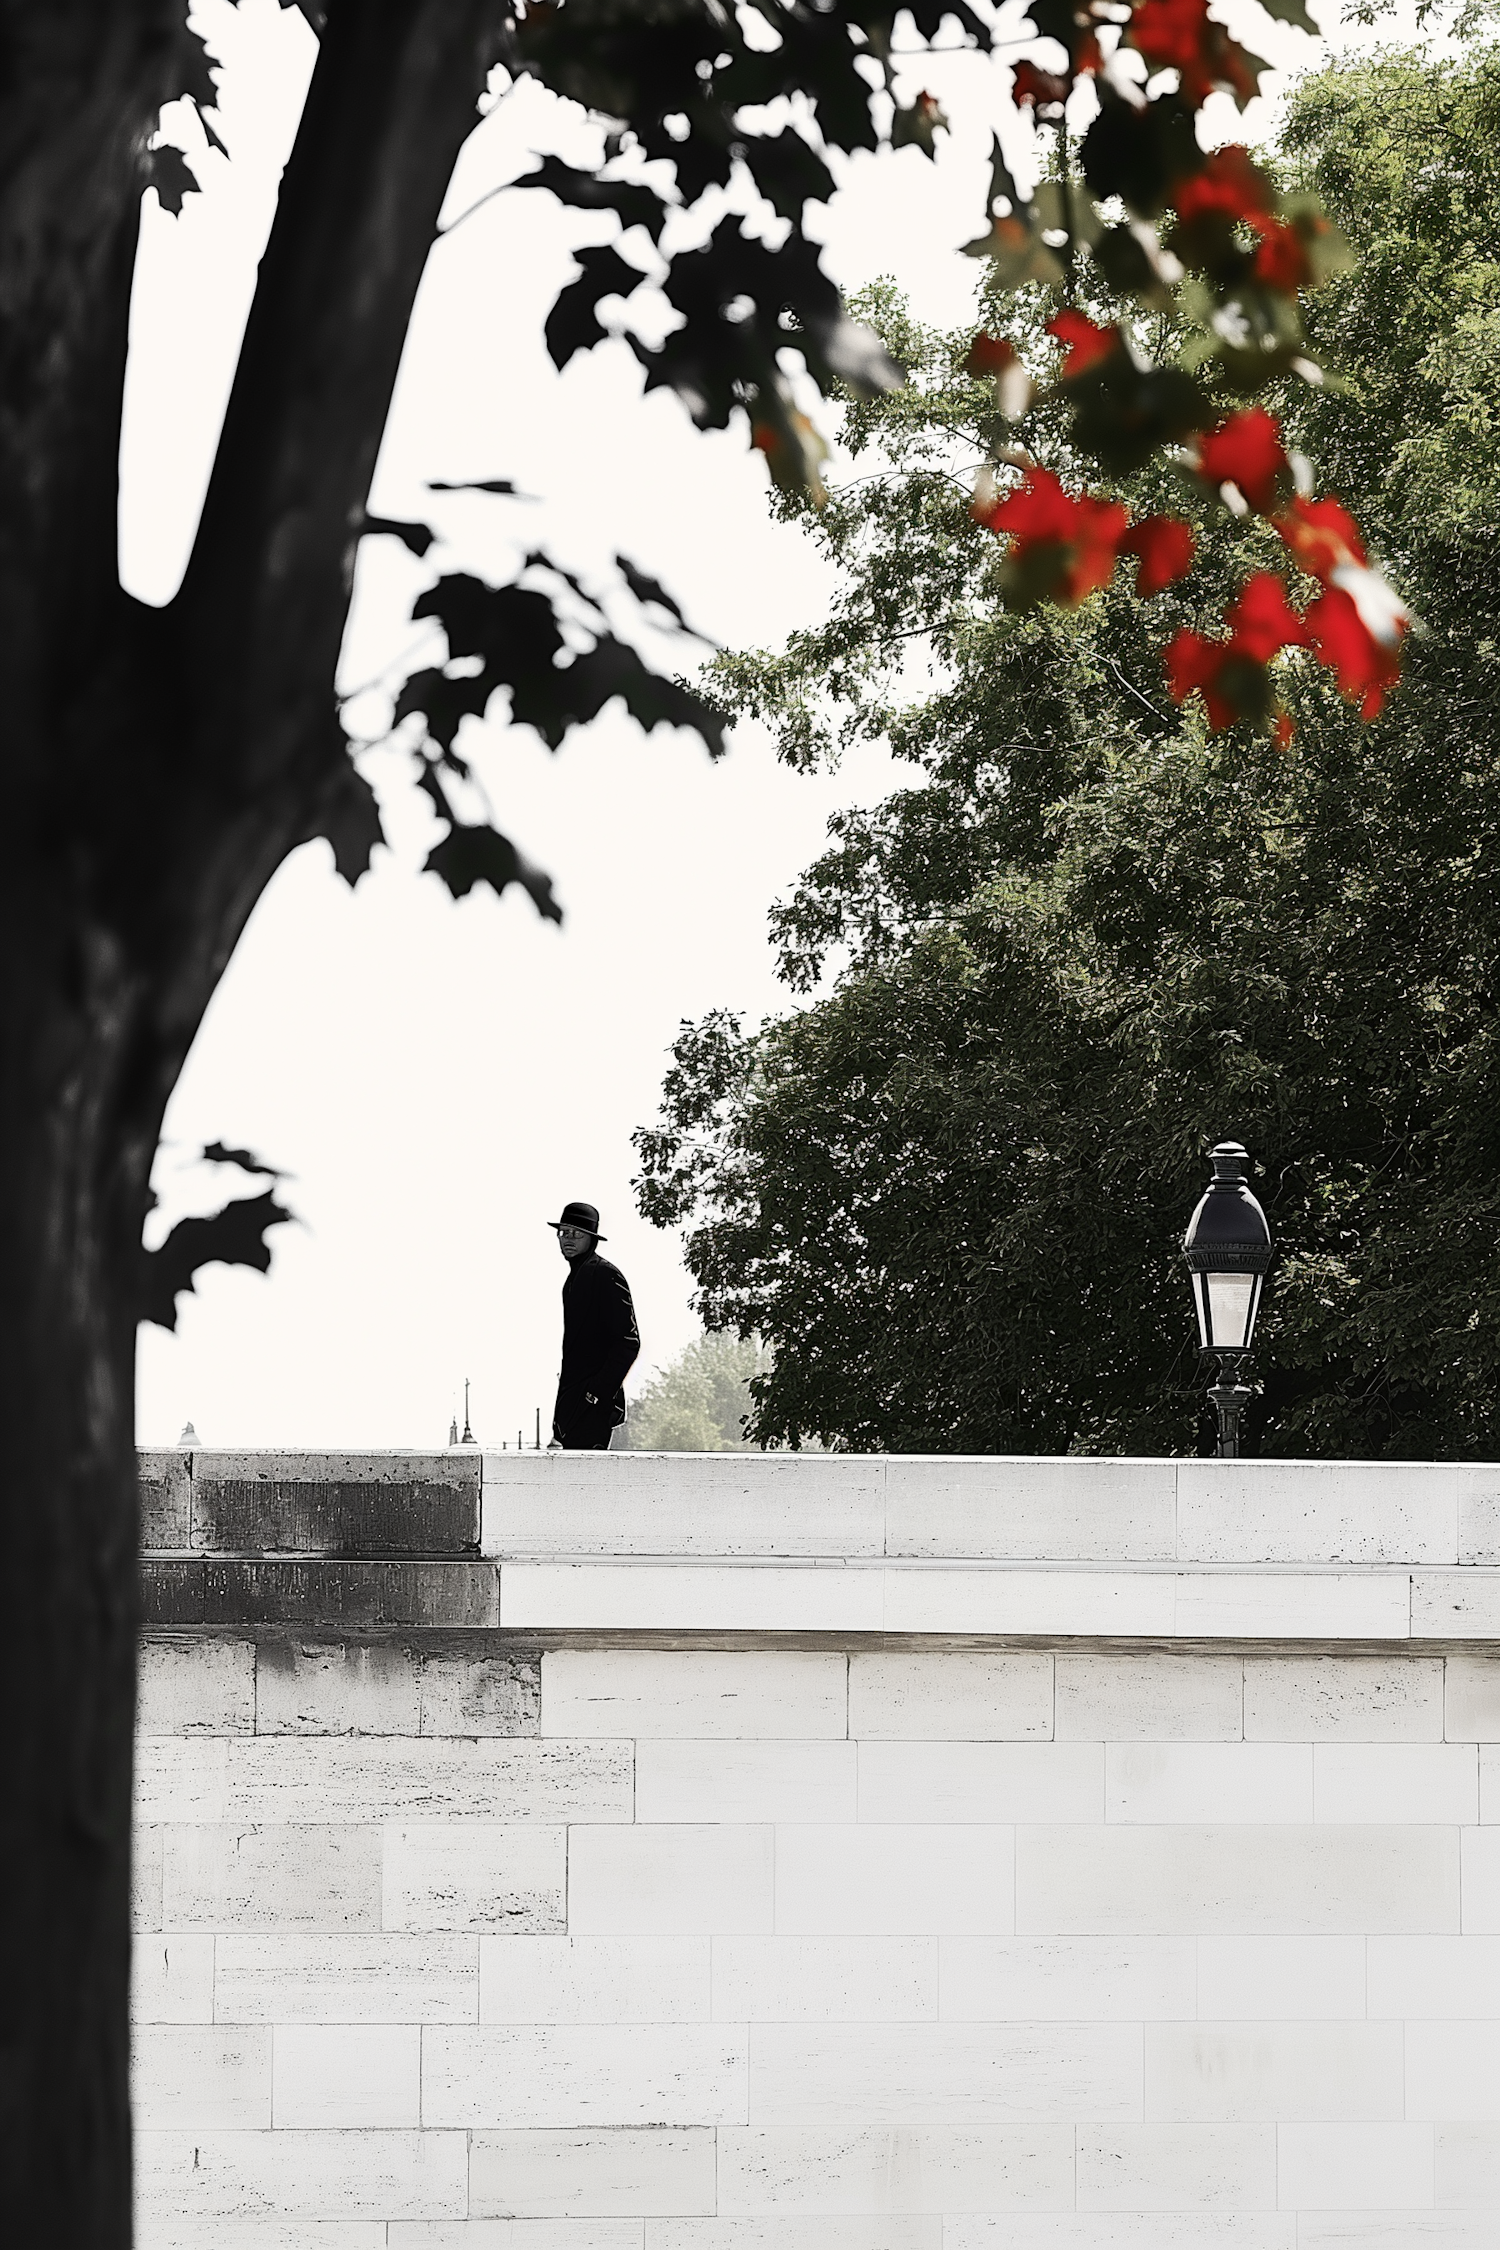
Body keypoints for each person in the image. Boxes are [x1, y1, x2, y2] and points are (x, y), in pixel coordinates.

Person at [548, 1200, 640, 1450]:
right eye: (563, 1232)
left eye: (577, 1233)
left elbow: (628, 1342)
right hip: (572, 1407)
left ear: (592, 1238)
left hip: (592, 1406)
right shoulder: (574, 1278)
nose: (568, 1238)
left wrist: (596, 1394)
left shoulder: (605, 1274)